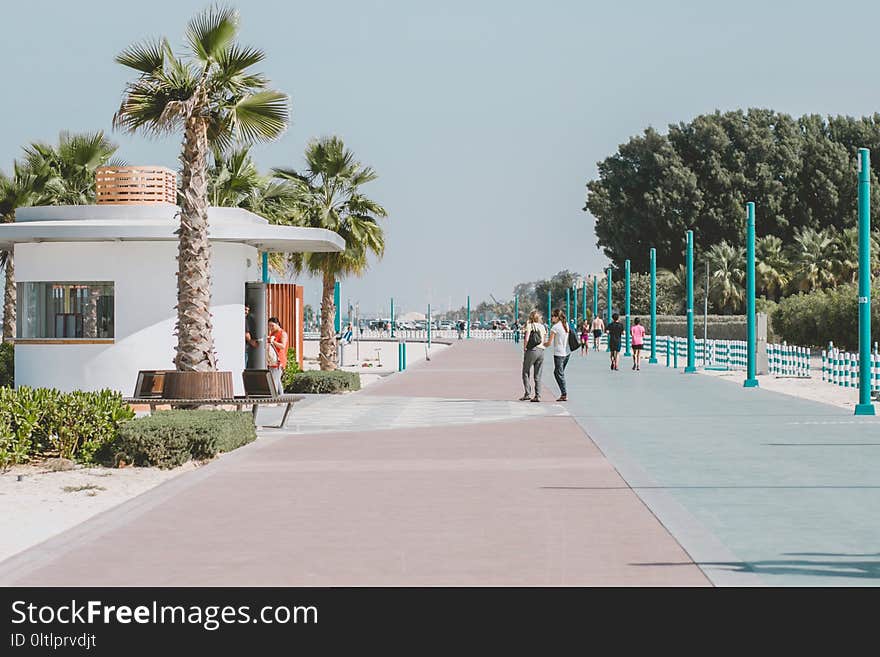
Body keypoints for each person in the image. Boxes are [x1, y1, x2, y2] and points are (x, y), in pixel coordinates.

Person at [544, 309, 571, 401]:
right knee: (559, 373)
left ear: (556, 317)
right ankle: (564, 393)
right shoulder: (565, 325)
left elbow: (549, 343)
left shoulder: (555, 327)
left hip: (559, 354)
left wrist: (541, 344)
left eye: (552, 316)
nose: (551, 318)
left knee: (559, 374)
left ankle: (564, 394)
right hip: (567, 353)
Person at [520, 310, 547, 402]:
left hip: (532, 350)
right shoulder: (543, 327)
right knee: (538, 375)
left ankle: (527, 393)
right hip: (541, 351)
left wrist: (525, 348)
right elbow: (544, 339)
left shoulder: (530, 325)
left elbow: (527, 338)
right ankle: (538, 395)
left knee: (525, 372)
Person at [267, 316, 289, 395]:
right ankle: (281, 399)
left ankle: (274, 399)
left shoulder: (282, 333)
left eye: (272, 325)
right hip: (272, 359)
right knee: (277, 380)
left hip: (279, 360)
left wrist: (273, 342)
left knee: (274, 380)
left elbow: (283, 346)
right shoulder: (272, 333)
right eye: (269, 326)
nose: (270, 328)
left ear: (277, 324)